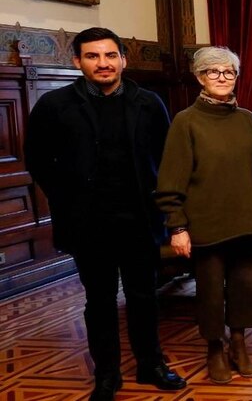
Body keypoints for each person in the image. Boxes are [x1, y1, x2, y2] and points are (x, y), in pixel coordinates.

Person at [24, 27, 186, 401]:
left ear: (123, 60)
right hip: (88, 224)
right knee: (99, 301)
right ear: (77, 61)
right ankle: (108, 374)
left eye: (110, 55)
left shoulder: (149, 103)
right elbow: (38, 161)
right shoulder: (54, 106)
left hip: (141, 221)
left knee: (144, 297)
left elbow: (165, 161)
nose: (103, 63)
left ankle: (151, 364)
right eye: (93, 56)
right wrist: (67, 200)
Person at [155, 47, 252, 384]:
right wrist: (177, 226)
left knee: (246, 287)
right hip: (205, 225)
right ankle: (214, 349)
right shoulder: (186, 121)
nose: (222, 78)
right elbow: (170, 180)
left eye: (228, 72)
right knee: (210, 292)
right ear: (200, 77)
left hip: (246, 222)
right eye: (213, 72)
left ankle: (239, 343)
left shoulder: (247, 119)